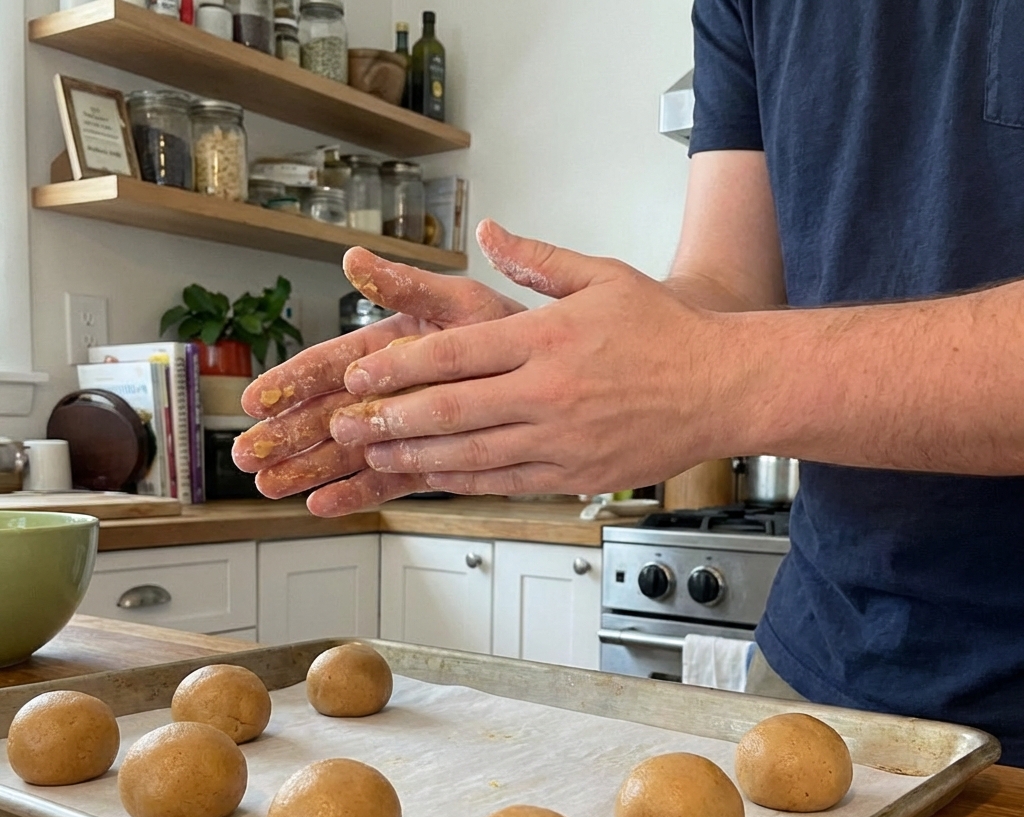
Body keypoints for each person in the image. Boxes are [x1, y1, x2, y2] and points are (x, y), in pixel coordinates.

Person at [233, 1, 1024, 766]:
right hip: (813, 670)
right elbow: (726, 282)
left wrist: (703, 380)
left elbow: (712, 361)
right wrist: (541, 356)